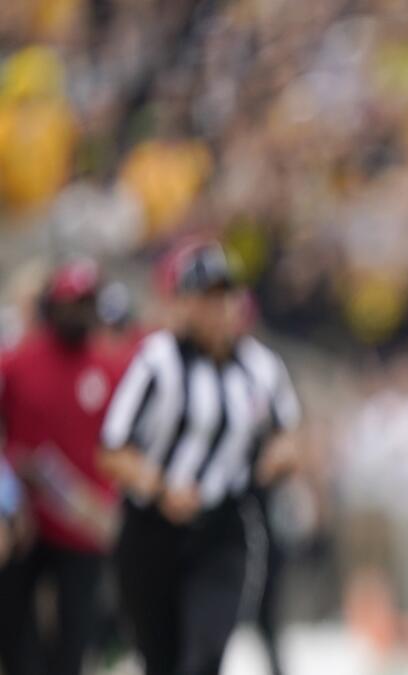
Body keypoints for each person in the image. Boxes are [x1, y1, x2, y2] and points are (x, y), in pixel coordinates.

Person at [99, 242, 302, 675]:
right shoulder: (158, 362)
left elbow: (289, 435)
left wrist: (276, 459)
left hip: (223, 529)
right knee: (161, 660)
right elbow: (112, 450)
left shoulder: (261, 367)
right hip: (153, 530)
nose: (216, 309)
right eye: (205, 297)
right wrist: (160, 488)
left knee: (205, 655)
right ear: (184, 303)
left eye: (223, 296)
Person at [0, 260, 123, 675]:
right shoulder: (16, 363)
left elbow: (122, 448)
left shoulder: (109, 370)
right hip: (23, 525)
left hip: (81, 527)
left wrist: (110, 506)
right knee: (15, 637)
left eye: (86, 304)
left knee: (73, 642)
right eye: (72, 303)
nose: (79, 314)